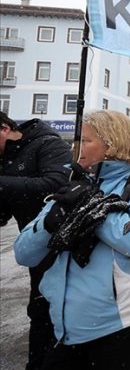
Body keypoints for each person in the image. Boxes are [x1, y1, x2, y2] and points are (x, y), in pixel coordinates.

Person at [14, 110, 130, 369]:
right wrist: (48, 223)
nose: (76, 146)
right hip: (65, 330)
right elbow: (24, 254)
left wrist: (92, 210)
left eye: (87, 140)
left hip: (128, 325)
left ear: (112, 143)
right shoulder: (74, 184)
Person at [1, 112, 72, 370]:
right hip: (34, 246)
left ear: (4, 128)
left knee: (57, 308)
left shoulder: (48, 143)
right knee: (40, 308)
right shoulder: (4, 158)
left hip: (63, 242)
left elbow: (56, 184)